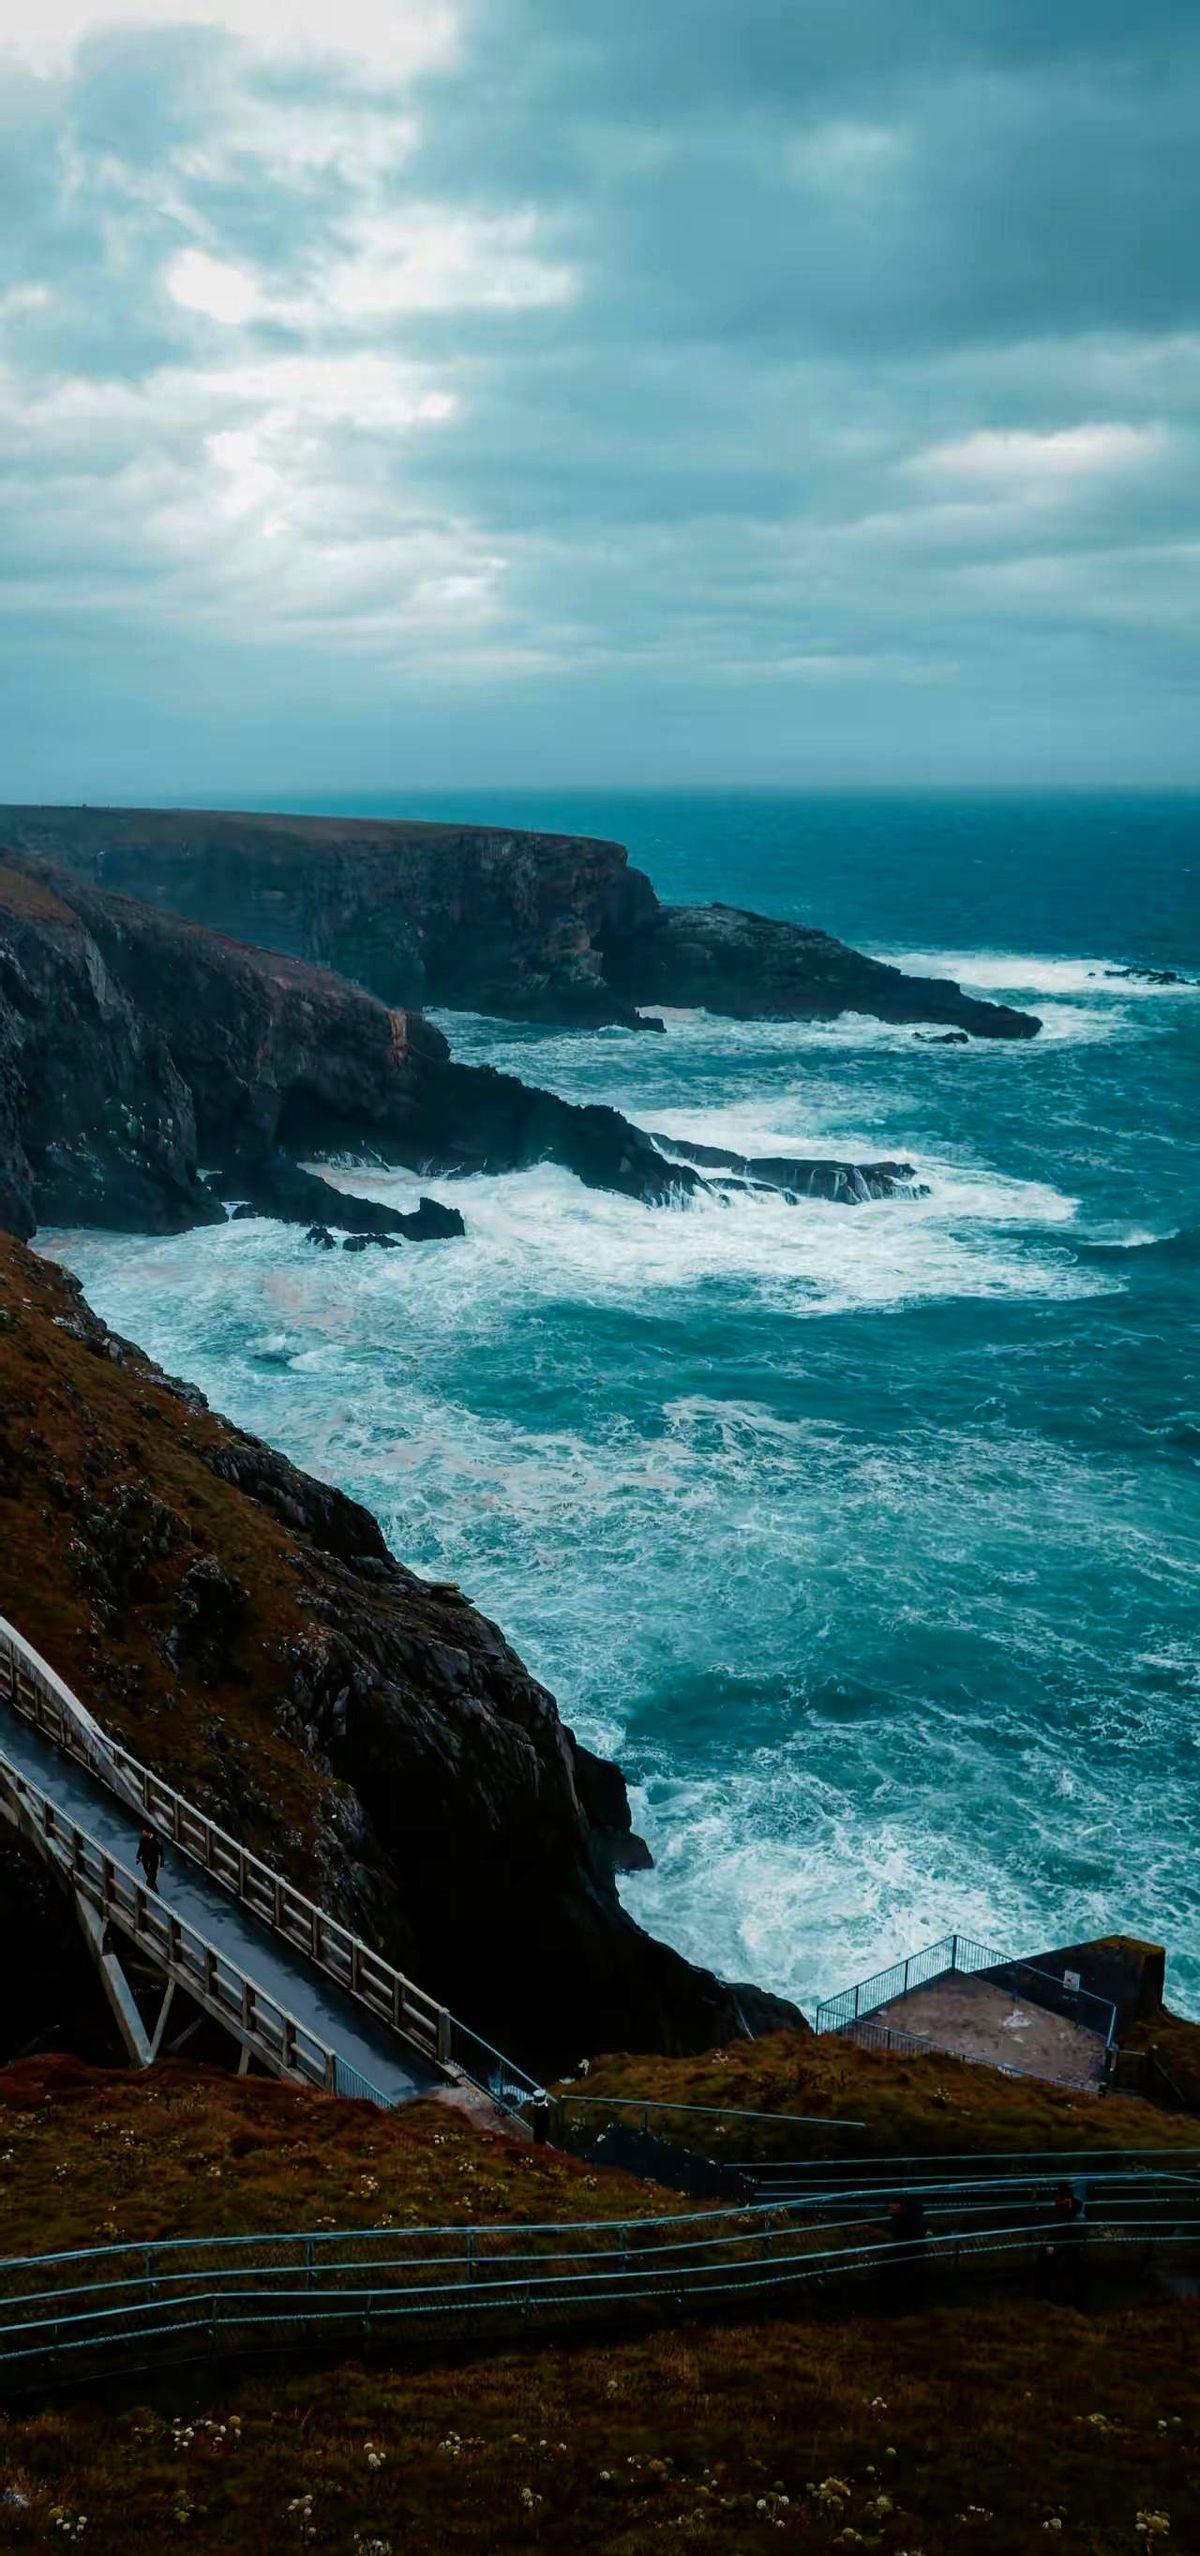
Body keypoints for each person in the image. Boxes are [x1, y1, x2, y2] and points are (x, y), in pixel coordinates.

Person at [1036, 2181, 1088, 2303]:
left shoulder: (1077, 2208)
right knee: (1045, 2259)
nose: (1057, 2199)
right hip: (1061, 2242)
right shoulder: (1059, 2208)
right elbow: (1054, 2230)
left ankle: (1078, 2297)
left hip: (1071, 2242)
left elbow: (1078, 2228)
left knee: (1076, 2266)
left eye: (1059, 2197)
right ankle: (1043, 2294)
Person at [880, 2192, 929, 2310]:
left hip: (906, 2254)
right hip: (907, 2253)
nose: (890, 2206)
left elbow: (904, 2235)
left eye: (893, 2204)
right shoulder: (908, 2218)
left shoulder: (907, 2220)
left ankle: (906, 2307)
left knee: (906, 2281)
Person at [136, 1824, 163, 1894]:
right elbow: (140, 1848)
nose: (142, 1833)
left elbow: (161, 1853)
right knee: (149, 1874)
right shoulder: (143, 1839)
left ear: (148, 1832)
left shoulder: (157, 1841)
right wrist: (138, 1857)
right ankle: (150, 1886)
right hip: (145, 1860)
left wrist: (162, 1864)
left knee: (153, 1875)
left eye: (144, 1832)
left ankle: (153, 1890)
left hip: (154, 1860)